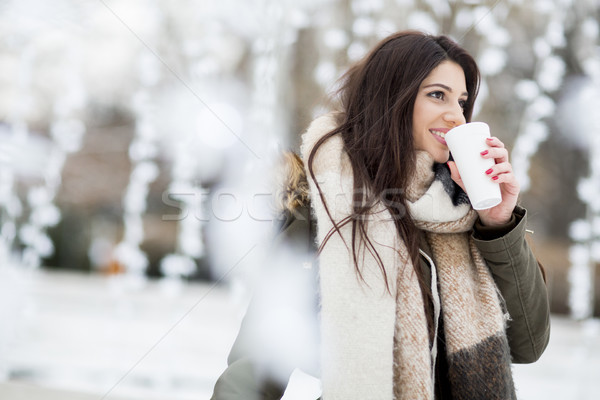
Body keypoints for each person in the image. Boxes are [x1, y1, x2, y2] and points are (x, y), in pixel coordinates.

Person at [212, 30, 550, 400]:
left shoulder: (466, 209)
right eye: (437, 95)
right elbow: (260, 360)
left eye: (462, 100)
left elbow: (529, 343)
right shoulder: (323, 209)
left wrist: (499, 222)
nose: (456, 115)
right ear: (392, 98)